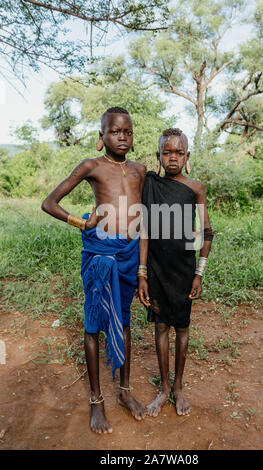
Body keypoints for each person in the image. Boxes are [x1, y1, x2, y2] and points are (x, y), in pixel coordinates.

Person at [41, 107, 147, 434]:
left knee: (125, 320)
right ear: (101, 137)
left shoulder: (140, 170)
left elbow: (143, 223)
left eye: (128, 132)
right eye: (115, 132)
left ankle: (125, 393)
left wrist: (143, 270)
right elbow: (50, 202)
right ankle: (96, 400)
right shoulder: (92, 166)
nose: (123, 137)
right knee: (93, 325)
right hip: (101, 253)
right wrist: (80, 221)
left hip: (129, 254)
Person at [138, 128, 214, 417]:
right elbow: (144, 230)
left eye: (178, 152)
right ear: (158, 156)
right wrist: (142, 274)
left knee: (182, 328)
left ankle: (179, 386)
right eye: (166, 152)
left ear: (187, 156)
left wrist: (199, 273)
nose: (173, 157)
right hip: (156, 268)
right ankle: (164, 389)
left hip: (183, 269)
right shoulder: (150, 184)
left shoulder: (195, 188)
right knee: (160, 327)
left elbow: (206, 233)